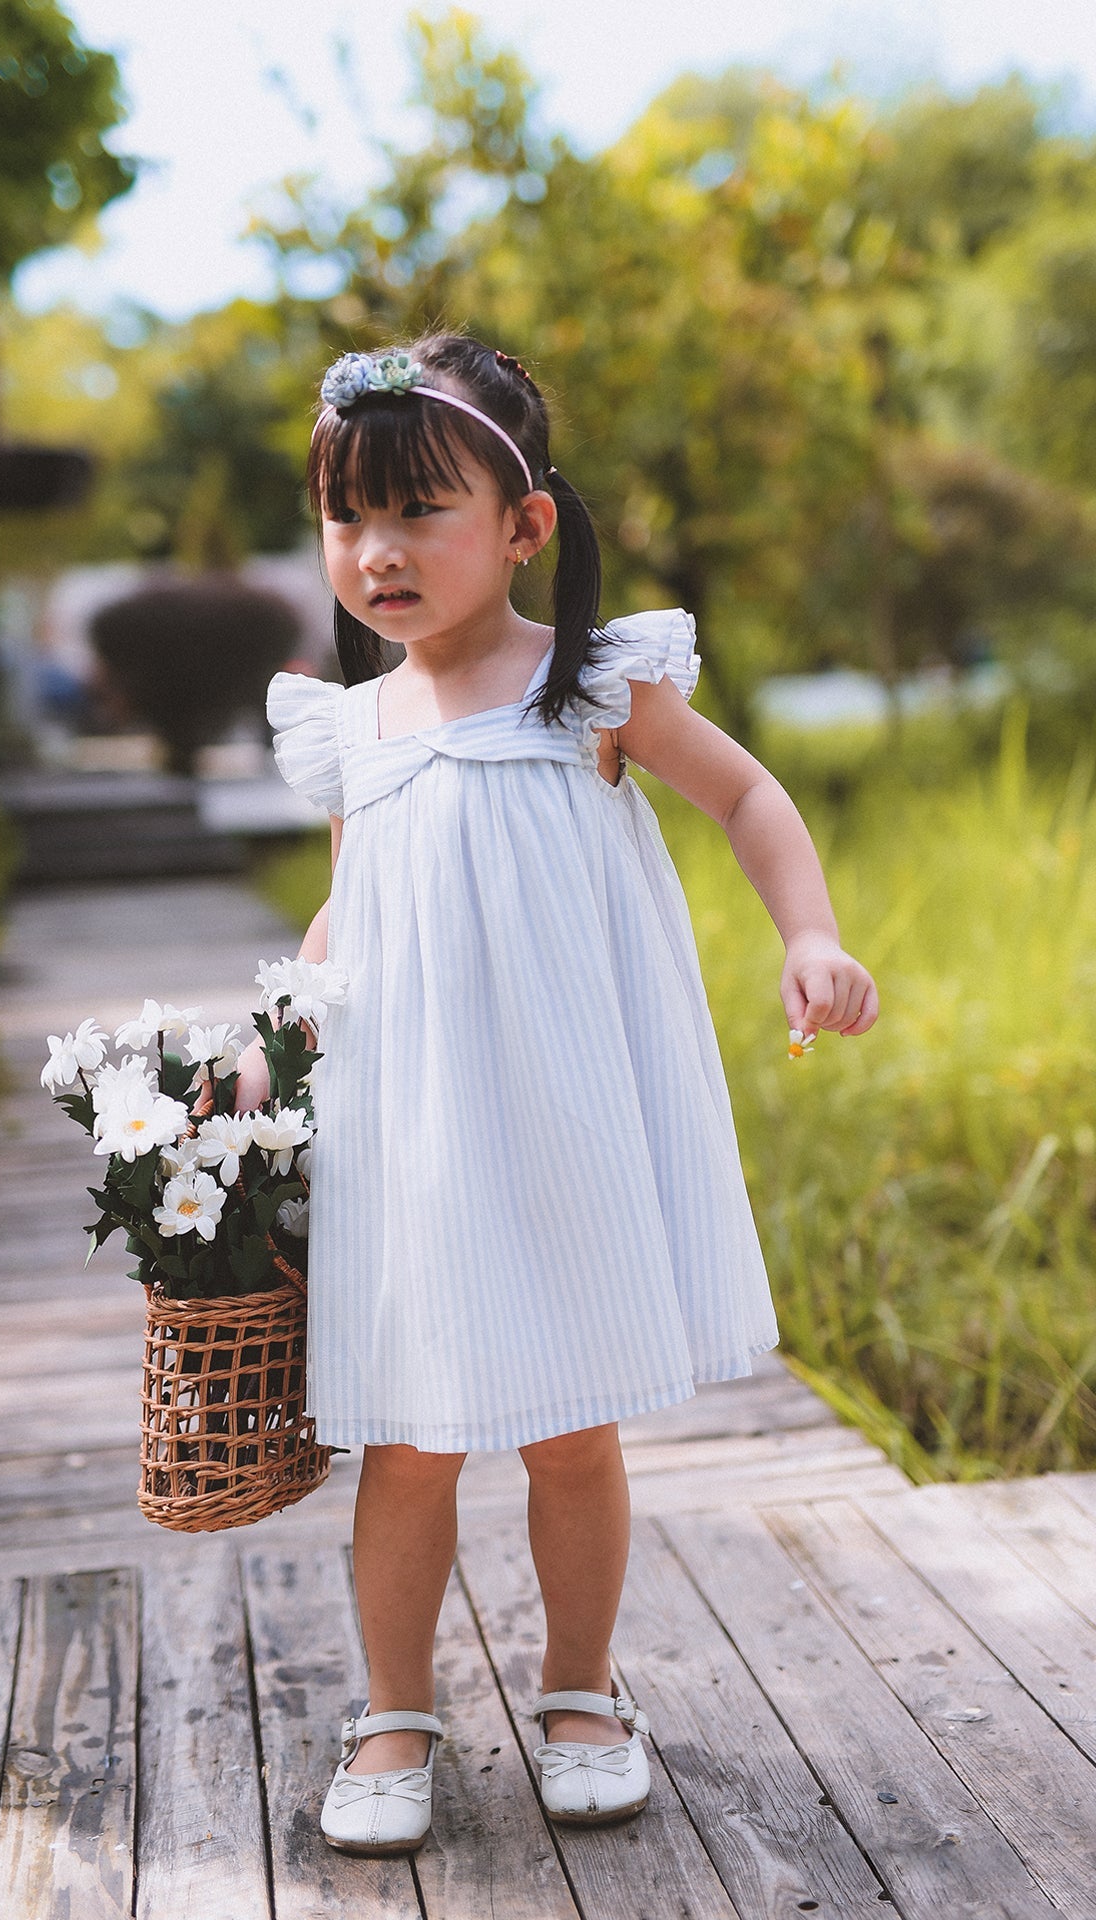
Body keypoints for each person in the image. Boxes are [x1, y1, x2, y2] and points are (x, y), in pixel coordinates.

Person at [231, 332, 878, 1856]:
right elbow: (348, 915)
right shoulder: (359, 730)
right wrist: (269, 1040)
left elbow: (750, 794)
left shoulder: (592, 685)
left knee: (574, 1422)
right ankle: (396, 1708)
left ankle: (581, 1689)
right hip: (418, 1131)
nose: (376, 554)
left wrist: (813, 932)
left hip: (566, 1118)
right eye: (347, 520)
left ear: (523, 524)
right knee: (408, 1436)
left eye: (418, 514)